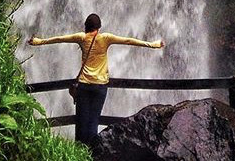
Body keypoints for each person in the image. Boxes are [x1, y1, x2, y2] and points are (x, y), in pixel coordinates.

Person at [28, 13, 165, 145]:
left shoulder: (81, 37)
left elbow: (60, 38)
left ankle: (79, 150)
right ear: (99, 27)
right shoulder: (105, 38)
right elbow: (128, 40)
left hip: (84, 85)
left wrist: (38, 41)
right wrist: (153, 45)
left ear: (86, 26)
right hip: (100, 86)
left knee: (82, 120)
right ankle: (91, 152)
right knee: (93, 121)